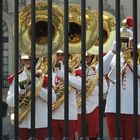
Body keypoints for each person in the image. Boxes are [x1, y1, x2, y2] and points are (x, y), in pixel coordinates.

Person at [100, 28, 140, 139]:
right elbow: (100, 70)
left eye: (128, 39)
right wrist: (112, 51)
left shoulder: (138, 56)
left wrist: (131, 59)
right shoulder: (114, 56)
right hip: (113, 108)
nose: (125, 42)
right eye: (123, 39)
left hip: (134, 108)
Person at [6, 53, 56, 140]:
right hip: (22, 122)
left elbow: (53, 99)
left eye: (30, 59)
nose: (27, 62)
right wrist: (20, 91)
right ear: (21, 60)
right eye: (25, 59)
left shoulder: (44, 77)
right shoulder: (16, 78)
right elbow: (9, 101)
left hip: (40, 122)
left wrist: (37, 87)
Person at [76, 52, 108, 140]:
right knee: (80, 134)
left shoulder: (96, 71)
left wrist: (90, 89)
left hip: (93, 106)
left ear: (92, 57)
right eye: (84, 57)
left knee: (93, 134)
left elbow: (104, 89)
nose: (86, 59)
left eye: (88, 57)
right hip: (78, 106)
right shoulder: (75, 70)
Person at [52, 50, 81, 140]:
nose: (60, 57)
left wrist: (64, 75)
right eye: (58, 55)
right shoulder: (48, 71)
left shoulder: (74, 71)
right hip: (52, 114)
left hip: (69, 114)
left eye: (63, 55)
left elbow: (81, 85)